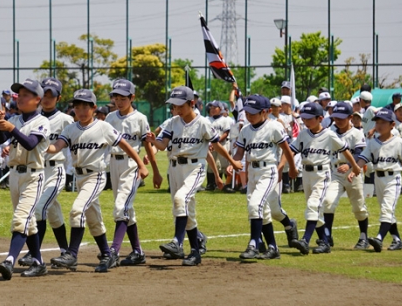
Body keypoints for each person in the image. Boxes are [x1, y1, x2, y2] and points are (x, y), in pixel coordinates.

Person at [49, 89, 149, 273]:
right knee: (93, 219)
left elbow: (125, 145)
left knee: (77, 210)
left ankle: (71, 254)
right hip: (80, 177)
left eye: (85, 106)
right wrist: (42, 146)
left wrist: (141, 165)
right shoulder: (70, 129)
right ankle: (106, 254)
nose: (80, 110)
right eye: (77, 106)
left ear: (94, 108)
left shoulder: (103, 127)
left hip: (96, 176)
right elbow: (57, 146)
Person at [146, 86, 242, 266]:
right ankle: (195, 252)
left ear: (191, 103)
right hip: (175, 168)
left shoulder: (203, 123)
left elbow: (217, 145)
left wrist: (232, 161)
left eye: (180, 105)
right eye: (173, 106)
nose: (176, 109)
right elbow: (162, 144)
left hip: (194, 168)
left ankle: (177, 241)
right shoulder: (173, 122)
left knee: (180, 199)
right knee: (185, 211)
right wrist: (154, 141)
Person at [0, 79, 51, 280]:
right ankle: (39, 263)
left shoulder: (42, 121)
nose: (20, 98)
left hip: (33, 175)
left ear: (37, 99)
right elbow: (0, 140)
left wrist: (10, 128)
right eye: (20, 94)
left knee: (21, 219)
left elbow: (30, 143)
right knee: (30, 223)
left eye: (26, 95)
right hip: (15, 175)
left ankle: (9, 259)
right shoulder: (16, 120)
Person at [289, 102, 361, 255]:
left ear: (320, 118)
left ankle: (305, 240)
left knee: (313, 205)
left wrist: (354, 166)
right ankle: (325, 241)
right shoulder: (303, 134)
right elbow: (291, 150)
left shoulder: (329, 134)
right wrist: (286, 166)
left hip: (322, 174)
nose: (306, 121)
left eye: (309, 118)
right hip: (307, 174)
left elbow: (345, 150)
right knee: (316, 210)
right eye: (304, 118)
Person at [232, 95, 297, 260]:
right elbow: (240, 152)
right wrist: (234, 162)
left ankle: (254, 244)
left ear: (265, 112)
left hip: (268, 170)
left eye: (253, 113)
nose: (249, 116)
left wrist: (292, 169)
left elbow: (287, 150)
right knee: (263, 211)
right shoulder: (246, 130)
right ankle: (273, 248)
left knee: (255, 205)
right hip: (253, 171)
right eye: (247, 112)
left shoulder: (274, 127)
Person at [17, 77, 74, 267]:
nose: (48, 98)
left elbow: (76, 142)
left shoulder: (66, 120)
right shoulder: (34, 119)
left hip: (55, 171)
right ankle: (66, 252)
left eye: (52, 95)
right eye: (45, 94)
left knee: (38, 209)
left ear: (59, 98)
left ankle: (34, 253)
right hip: (38, 172)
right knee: (54, 214)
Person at [104, 79, 162, 266]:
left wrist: (155, 171)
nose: (119, 101)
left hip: (132, 165)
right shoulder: (110, 118)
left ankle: (113, 251)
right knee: (126, 209)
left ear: (132, 97)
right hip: (114, 164)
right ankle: (137, 252)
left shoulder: (140, 118)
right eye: (116, 97)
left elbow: (147, 145)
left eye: (123, 98)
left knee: (121, 207)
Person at [356, 108, 402, 252]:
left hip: (393, 178)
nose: (379, 125)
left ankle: (379, 238)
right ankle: (397, 239)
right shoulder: (373, 143)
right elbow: (363, 158)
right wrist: (354, 170)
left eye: (383, 122)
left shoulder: (398, 142)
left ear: (392, 125)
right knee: (387, 210)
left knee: (387, 209)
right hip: (378, 178)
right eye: (377, 122)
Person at [321, 102, 369, 249]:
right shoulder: (330, 131)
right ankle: (327, 237)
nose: (338, 120)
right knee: (328, 202)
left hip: (353, 172)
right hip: (335, 172)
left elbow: (360, 153)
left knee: (358, 207)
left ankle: (363, 237)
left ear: (350, 117)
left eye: (342, 117)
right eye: (335, 117)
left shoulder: (356, 133)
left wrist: (349, 165)